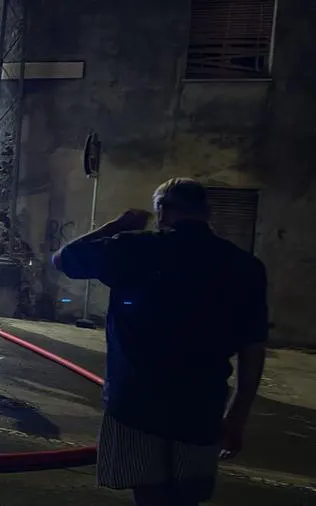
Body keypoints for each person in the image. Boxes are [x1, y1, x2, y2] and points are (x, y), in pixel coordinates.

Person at [52, 177, 267, 506]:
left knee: (148, 491)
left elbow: (64, 259)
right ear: (206, 212)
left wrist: (117, 225)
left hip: (136, 402)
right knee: (187, 496)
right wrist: (237, 417)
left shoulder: (134, 247)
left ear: (163, 211)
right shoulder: (245, 267)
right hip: (201, 405)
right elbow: (253, 350)